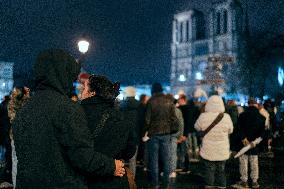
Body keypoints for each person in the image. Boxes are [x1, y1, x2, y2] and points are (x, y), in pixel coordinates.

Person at [13, 49, 125, 189]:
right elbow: (82, 156)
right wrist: (111, 165)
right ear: (63, 74)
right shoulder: (67, 108)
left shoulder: (25, 109)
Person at [80, 75, 136, 189]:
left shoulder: (77, 115)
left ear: (92, 93)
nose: (81, 92)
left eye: (84, 88)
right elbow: (129, 152)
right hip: (115, 180)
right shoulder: (121, 118)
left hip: (84, 179)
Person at [194, 95, 233, 189]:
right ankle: (222, 186)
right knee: (221, 169)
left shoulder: (203, 116)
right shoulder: (226, 117)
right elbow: (231, 130)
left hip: (208, 147)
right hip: (222, 148)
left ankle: (209, 185)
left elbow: (196, 127)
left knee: (209, 169)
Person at [144, 83, 177, 189]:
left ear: (153, 90)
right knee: (166, 159)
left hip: (153, 134)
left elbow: (147, 120)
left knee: (154, 160)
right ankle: (166, 183)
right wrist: (172, 130)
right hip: (166, 133)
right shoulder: (169, 101)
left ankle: (155, 184)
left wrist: (146, 132)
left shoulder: (150, 102)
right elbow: (174, 119)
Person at [232, 98, 265, 189]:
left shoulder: (242, 115)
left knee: (243, 162)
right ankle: (254, 182)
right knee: (254, 162)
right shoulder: (262, 117)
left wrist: (243, 138)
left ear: (248, 104)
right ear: (256, 105)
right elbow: (262, 133)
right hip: (254, 144)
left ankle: (244, 181)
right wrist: (255, 142)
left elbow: (238, 129)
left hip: (243, 144)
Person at [7, 86, 31, 189]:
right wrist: (27, 96)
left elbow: (13, 118)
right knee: (23, 163)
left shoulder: (12, 103)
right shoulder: (26, 103)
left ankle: (17, 185)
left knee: (16, 162)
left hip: (16, 136)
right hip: (25, 136)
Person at [120, 86, 140, 178]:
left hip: (123, 135)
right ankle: (132, 179)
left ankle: (121, 177)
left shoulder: (121, 105)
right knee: (133, 159)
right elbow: (142, 122)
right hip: (135, 135)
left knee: (121, 158)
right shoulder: (140, 105)